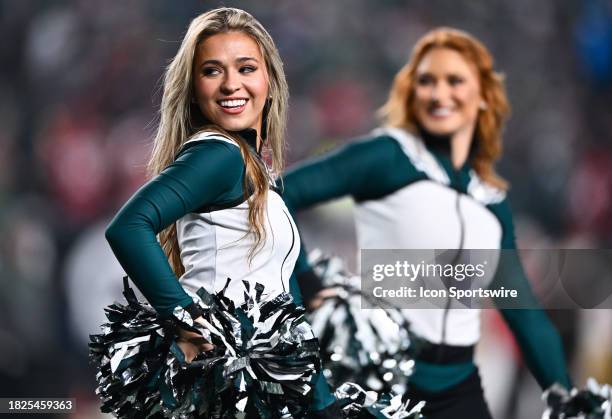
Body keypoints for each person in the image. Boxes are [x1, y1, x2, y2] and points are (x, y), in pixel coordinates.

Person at [283, 27, 572, 419]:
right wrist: (309, 281)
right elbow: (278, 195)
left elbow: (523, 314)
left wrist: (569, 399)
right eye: (426, 81)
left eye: (455, 80)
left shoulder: (491, 199)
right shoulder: (387, 156)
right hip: (380, 385)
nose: (439, 94)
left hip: (459, 388)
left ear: (484, 96)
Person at [104, 8, 338, 417]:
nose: (232, 83)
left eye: (246, 68)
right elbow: (129, 226)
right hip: (229, 384)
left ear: (270, 80)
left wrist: (323, 404)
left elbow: (281, 303)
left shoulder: (252, 167)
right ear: (194, 88)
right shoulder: (219, 154)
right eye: (213, 71)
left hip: (258, 384)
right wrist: (184, 320)